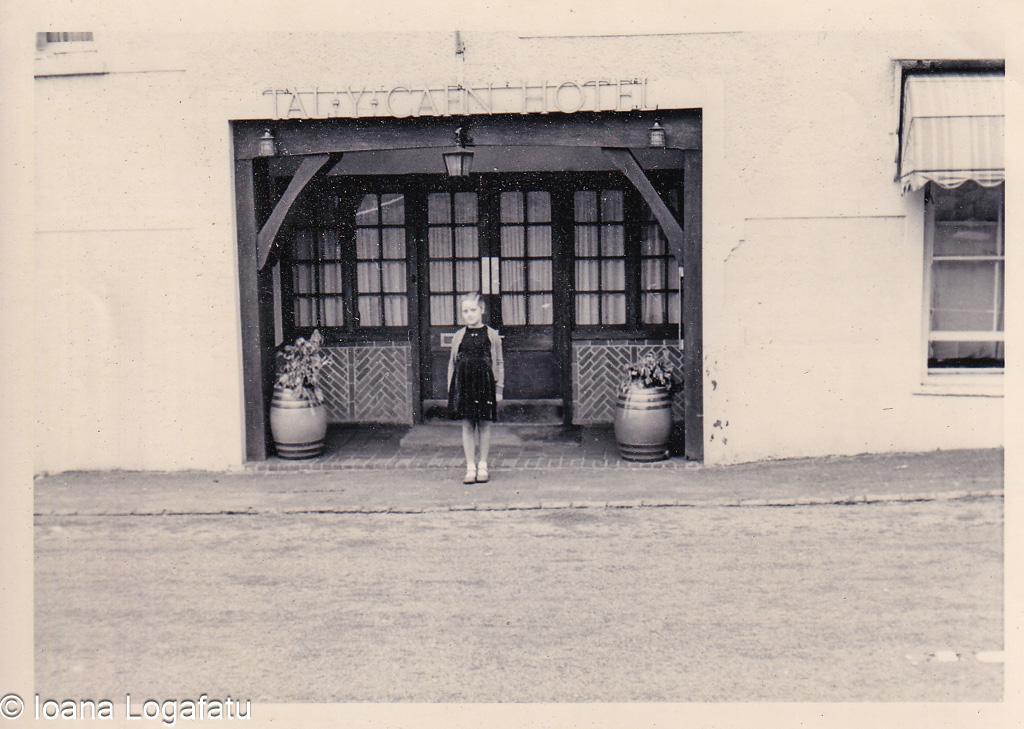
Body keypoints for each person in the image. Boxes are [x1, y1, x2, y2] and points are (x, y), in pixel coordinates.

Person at [447, 292, 504, 483]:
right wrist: (451, 390)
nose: (469, 314)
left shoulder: (492, 335)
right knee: (467, 425)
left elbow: (499, 362)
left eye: (473, 310)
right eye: (465, 311)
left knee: (484, 425)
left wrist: (499, 389)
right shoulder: (458, 336)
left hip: (484, 384)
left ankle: (483, 465)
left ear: (482, 310)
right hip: (465, 385)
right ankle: (470, 466)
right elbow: (452, 364)